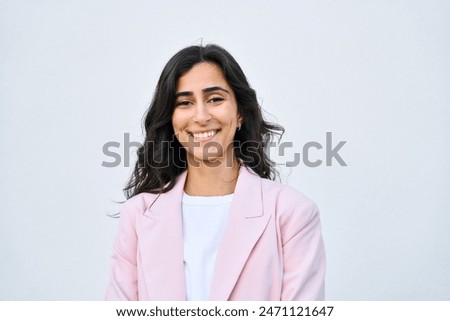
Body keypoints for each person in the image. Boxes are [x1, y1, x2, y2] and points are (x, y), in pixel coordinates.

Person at [105, 44, 326, 301]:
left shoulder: (293, 213)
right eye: (185, 102)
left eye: (215, 99)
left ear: (240, 112)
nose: (201, 116)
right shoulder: (138, 215)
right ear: (171, 118)